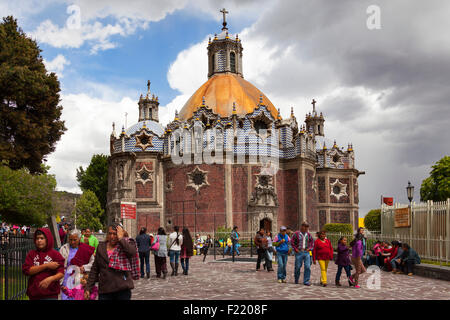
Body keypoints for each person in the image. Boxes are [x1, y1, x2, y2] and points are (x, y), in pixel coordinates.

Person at [85, 223, 139, 300]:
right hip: (105, 290)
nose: (112, 236)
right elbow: (95, 269)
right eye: (110, 233)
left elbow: (132, 252)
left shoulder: (125, 245)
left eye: (115, 234)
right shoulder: (101, 247)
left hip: (122, 289)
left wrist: (121, 239)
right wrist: (88, 288)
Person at [22, 228, 65, 300]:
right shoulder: (31, 254)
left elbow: (61, 273)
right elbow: (27, 271)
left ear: (47, 239)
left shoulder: (55, 254)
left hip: (50, 294)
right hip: (34, 294)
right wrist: (46, 265)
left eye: (42, 238)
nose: (39, 241)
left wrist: (50, 279)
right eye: (37, 238)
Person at [59, 229, 95, 300]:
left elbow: (93, 263)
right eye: (70, 239)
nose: (72, 242)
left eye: (75, 240)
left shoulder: (85, 249)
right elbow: (59, 263)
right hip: (67, 279)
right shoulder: (64, 248)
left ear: (79, 238)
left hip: (80, 280)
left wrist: (84, 267)